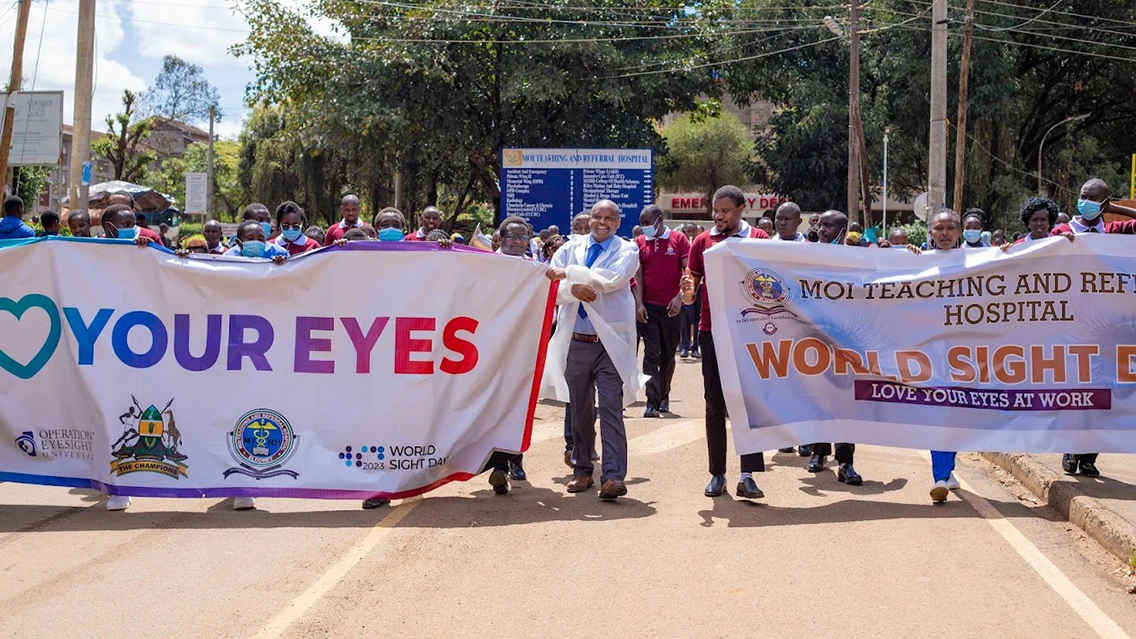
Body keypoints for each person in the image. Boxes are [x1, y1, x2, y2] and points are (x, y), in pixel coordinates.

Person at [543, 200, 642, 501]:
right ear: (589, 219)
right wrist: (570, 287)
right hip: (576, 341)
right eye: (598, 217)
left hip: (610, 343)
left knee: (611, 407)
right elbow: (549, 283)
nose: (603, 222)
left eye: (609, 218)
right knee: (580, 409)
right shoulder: (569, 248)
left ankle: (613, 477)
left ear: (618, 222)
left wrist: (568, 274)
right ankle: (582, 468)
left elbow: (611, 281)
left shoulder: (628, 250)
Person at [680, 185, 770, 500]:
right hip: (712, 330)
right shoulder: (702, 242)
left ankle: (747, 476)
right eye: (715, 211)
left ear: (741, 209)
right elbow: (689, 294)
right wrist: (688, 290)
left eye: (725, 211)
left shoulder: (759, 240)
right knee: (715, 404)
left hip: (751, 332)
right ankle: (717, 474)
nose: (718, 217)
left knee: (749, 403)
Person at [1052, 178, 1136, 477]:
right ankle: (1071, 447)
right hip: (1071, 328)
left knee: (1103, 393)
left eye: (1092, 198)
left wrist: (1115, 209)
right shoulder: (1063, 232)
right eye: (1082, 195)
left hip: (1109, 331)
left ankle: (1088, 454)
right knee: (1076, 392)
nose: (1084, 201)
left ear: (1104, 202)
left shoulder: (1115, 232)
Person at [905, 210, 967, 501]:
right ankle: (940, 476)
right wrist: (906, 259)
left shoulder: (982, 262)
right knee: (938, 412)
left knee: (957, 413)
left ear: (959, 232)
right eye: (938, 228)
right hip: (930, 353)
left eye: (950, 228)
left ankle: (948, 468)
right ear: (930, 233)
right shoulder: (917, 262)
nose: (944, 233)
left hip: (968, 354)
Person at [803, 210, 864, 484]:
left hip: (848, 341)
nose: (822, 229)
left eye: (829, 225)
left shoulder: (856, 260)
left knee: (845, 402)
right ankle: (818, 452)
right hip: (815, 338)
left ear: (842, 230)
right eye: (820, 224)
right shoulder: (806, 256)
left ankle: (846, 462)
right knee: (818, 398)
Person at [633, 205, 690, 418]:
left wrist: (679, 298)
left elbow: (689, 272)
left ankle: (664, 394)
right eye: (642, 223)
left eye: (648, 222)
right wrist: (639, 303)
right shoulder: (639, 243)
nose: (644, 227)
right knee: (650, 354)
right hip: (648, 308)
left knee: (667, 355)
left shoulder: (678, 240)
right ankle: (652, 401)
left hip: (673, 308)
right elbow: (637, 275)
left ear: (660, 219)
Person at [678, 223, 703, 359]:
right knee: (686, 317)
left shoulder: (700, 246)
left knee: (697, 317)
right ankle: (684, 346)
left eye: (694, 231)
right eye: (688, 231)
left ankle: (695, 347)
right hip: (686, 287)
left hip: (699, 287)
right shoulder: (682, 245)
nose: (691, 233)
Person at [224, 219, 289, 261]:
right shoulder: (228, 259)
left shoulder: (279, 253)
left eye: (261, 239)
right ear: (238, 242)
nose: (257, 242)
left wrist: (282, 265)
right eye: (250, 239)